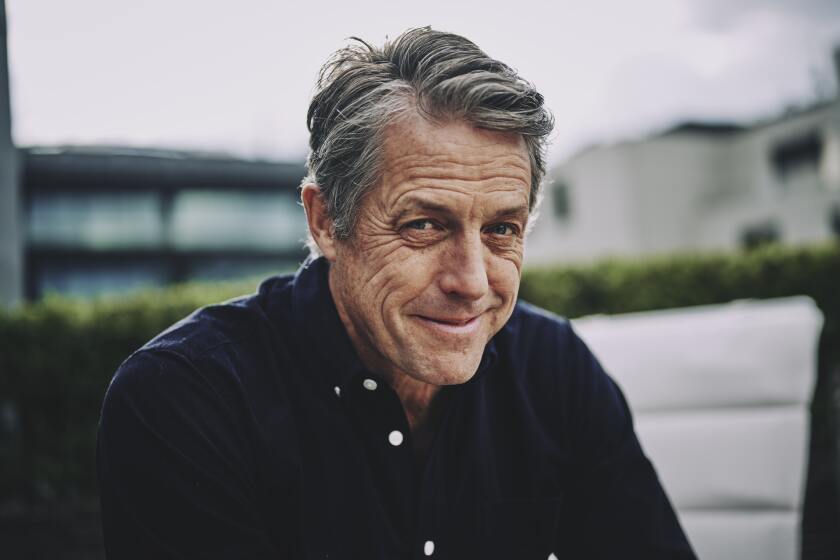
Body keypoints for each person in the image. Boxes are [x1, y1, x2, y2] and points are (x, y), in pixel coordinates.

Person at [97, 27, 696, 559]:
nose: (473, 281)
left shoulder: (554, 368)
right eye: (424, 225)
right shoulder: (187, 399)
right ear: (327, 221)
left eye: (501, 230)